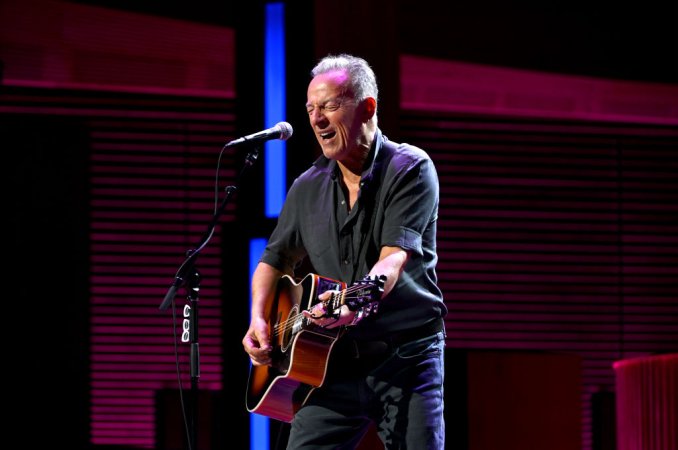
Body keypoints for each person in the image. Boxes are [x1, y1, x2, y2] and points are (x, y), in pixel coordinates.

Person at [242, 53, 447, 449]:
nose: (317, 120)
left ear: (367, 107)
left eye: (330, 106)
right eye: (311, 109)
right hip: (329, 362)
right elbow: (273, 259)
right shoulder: (307, 185)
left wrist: (362, 296)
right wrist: (258, 319)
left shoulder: (410, 168)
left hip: (405, 358)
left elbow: (393, 257)